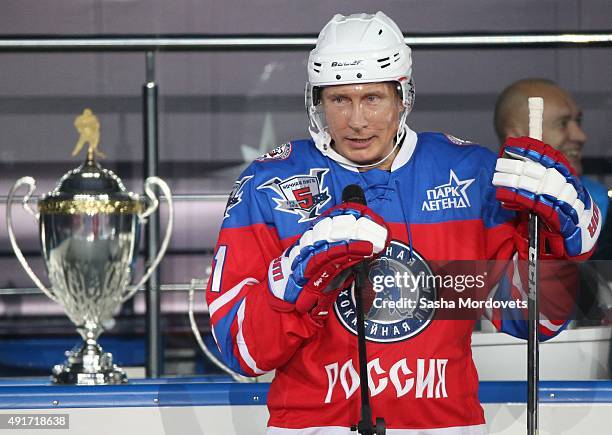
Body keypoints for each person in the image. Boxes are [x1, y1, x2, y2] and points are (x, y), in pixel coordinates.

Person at [206, 12, 602, 434]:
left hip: (447, 426)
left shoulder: (468, 172)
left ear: (403, 96)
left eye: (372, 98)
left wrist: (557, 248)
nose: (356, 121)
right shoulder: (270, 183)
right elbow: (241, 352)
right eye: (340, 99)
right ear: (317, 100)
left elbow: (532, 318)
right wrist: (296, 279)